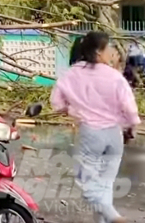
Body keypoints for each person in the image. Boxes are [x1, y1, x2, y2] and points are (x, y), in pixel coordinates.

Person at [51, 32, 140, 223]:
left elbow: (56, 103)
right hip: (114, 135)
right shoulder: (114, 76)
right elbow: (130, 109)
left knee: (88, 186)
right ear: (98, 52)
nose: (111, 52)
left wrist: (73, 110)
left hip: (91, 134)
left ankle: (113, 217)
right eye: (108, 48)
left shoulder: (72, 73)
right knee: (105, 185)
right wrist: (131, 126)